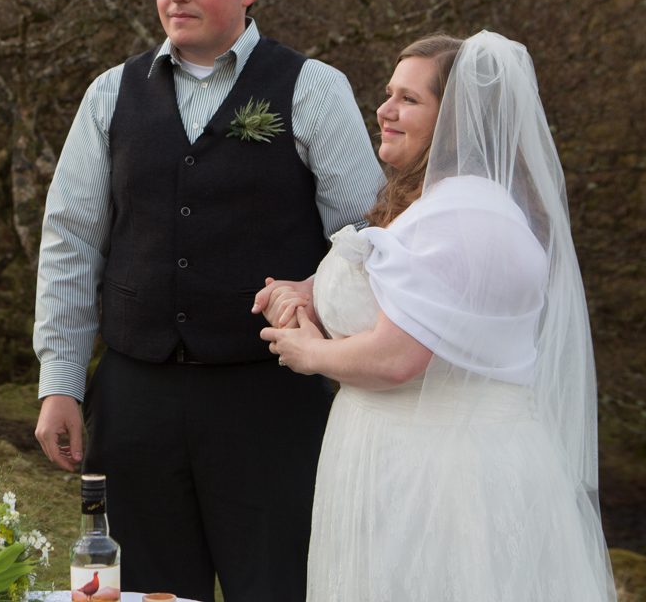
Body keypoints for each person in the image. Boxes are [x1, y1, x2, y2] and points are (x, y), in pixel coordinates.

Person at [33, 0, 384, 602]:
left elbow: (367, 242)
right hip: (136, 400)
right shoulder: (110, 94)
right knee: (140, 593)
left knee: (279, 586)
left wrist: (317, 304)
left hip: (271, 402)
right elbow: (70, 241)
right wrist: (60, 382)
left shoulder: (313, 89)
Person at [260, 32, 617, 601]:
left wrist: (308, 353)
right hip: (429, 456)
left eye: (408, 99)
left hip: (440, 474)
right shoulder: (463, 206)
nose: (384, 110)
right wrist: (311, 293)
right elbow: (423, 313)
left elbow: (398, 357)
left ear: (455, 120)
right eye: (388, 93)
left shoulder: (459, 217)